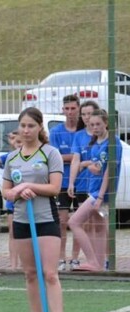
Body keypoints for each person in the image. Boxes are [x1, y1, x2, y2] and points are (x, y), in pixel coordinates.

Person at [2, 107, 68, 312]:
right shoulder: (12, 158)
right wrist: (18, 192)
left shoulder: (50, 153)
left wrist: (28, 188)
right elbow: (6, 192)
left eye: (31, 126)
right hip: (21, 219)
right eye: (23, 126)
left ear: (40, 127)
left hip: (45, 219)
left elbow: (54, 188)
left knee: (49, 273)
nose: (27, 130)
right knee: (30, 273)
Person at [67, 109, 122, 272]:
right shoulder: (96, 143)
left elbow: (109, 171)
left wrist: (100, 197)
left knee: (74, 222)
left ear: (106, 123)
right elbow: (98, 165)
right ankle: (98, 264)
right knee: (98, 228)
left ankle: (91, 260)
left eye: (98, 124)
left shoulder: (113, 142)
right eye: (92, 125)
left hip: (101, 193)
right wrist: (91, 166)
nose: (95, 127)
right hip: (94, 190)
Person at [49, 94, 84, 271]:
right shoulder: (56, 132)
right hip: (62, 182)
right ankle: (61, 258)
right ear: (63, 110)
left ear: (79, 109)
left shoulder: (84, 131)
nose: (70, 112)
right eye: (67, 108)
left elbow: (86, 156)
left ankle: (75, 258)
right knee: (62, 221)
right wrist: (76, 157)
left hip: (82, 181)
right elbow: (54, 157)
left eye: (73, 108)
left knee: (79, 221)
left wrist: (73, 158)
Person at [67, 100, 100, 270]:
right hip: (82, 185)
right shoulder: (79, 136)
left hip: (97, 187)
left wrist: (87, 164)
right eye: (84, 114)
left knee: (98, 223)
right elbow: (75, 160)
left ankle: (99, 259)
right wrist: (71, 182)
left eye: (90, 113)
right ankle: (85, 258)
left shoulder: (100, 134)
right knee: (83, 223)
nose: (86, 117)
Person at [0, 130, 22, 269]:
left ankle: (28, 263)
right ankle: (13, 265)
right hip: (13, 201)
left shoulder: (33, 156)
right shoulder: (9, 157)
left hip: (29, 201)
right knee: (13, 232)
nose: (19, 144)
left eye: (20, 142)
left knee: (30, 233)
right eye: (16, 141)